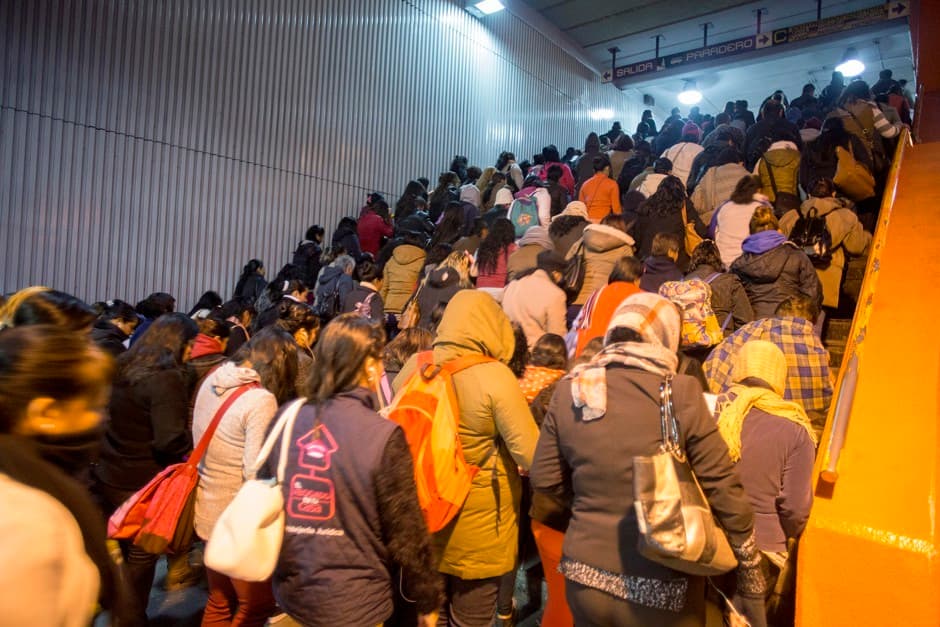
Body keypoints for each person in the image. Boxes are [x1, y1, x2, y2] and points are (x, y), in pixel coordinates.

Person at [530, 292, 767, 627]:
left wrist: (589, 500)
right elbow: (724, 490)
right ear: (666, 339)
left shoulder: (571, 390)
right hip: (662, 588)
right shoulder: (679, 393)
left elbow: (545, 478)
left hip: (583, 578)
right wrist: (750, 571)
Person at [262, 315, 443, 627]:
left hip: (294, 591)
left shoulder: (286, 418)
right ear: (369, 366)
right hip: (357, 601)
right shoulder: (382, 435)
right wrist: (427, 596)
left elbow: (265, 490)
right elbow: (406, 531)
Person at [393, 291, 539, 627]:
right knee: (470, 620)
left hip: (423, 516)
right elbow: (530, 454)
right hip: (478, 533)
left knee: (433, 616)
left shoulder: (416, 366)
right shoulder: (496, 377)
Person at [0, 326, 127, 627]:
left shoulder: (32, 483)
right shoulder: (28, 523)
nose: (102, 418)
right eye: (94, 406)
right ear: (46, 413)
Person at [93, 312, 198, 625]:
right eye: (191, 343)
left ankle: (119, 610)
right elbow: (169, 439)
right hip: (143, 481)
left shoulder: (123, 365)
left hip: (110, 472)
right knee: (142, 554)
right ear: (178, 342)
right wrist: (190, 444)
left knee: (124, 552)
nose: (192, 351)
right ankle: (131, 618)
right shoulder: (166, 378)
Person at [193, 327, 298, 627]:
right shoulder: (259, 399)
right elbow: (256, 470)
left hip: (207, 509)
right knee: (256, 605)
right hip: (238, 520)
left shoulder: (214, 377)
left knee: (219, 600)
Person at [714, 340, 816, 554]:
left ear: (738, 367)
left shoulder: (707, 408)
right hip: (764, 545)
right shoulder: (797, 428)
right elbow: (795, 509)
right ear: (780, 376)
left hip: (706, 536)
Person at [704, 295, 833, 421]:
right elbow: (826, 391)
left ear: (777, 316)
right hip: (798, 415)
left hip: (747, 409)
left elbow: (720, 357)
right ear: (812, 321)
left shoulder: (754, 331)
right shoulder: (815, 347)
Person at [779, 178, 871, 311]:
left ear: (808, 195)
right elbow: (855, 247)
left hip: (794, 281)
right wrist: (867, 236)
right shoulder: (845, 216)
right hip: (827, 283)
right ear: (833, 194)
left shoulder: (790, 216)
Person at [731, 206, 822, 319]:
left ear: (751, 234)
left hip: (753, 325)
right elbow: (813, 294)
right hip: (791, 321)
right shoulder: (796, 256)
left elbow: (734, 302)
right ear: (778, 230)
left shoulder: (739, 265)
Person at [571, 255, 642, 357]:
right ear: (636, 279)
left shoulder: (597, 293)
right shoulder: (640, 296)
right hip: (617, 357)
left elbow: (580, 326)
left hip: (586, 353)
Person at [828, 80, 902, 178]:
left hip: (840, 165)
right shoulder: (870, 108)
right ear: (866, 93)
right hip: (866, 160)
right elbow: (889, 132)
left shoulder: (832, 114)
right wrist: (899, 125)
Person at [568, 213, 636, 315]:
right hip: (604, 303)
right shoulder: (625, 248)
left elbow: (567, 261)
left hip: (577, 300)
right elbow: (629, 277)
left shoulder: (583, 241)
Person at [502, 250, 569, 348]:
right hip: (537, 352)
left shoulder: (513, 285)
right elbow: (558, 336)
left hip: (509, 347)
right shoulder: (556, 294)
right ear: (556, 274)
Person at [685, 240, 754, 334]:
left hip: (690, 339)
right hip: (722, 340)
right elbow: (745, 320)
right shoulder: (730, 282)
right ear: (717, 259)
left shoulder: (682, 283)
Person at [632, 174, 699, 271]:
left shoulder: (646, 207)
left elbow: (637, 237)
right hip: (677, 263)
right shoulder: (684, 206)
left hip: (647, 261)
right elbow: (701, 230)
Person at [713, 175, 771, 268]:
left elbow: (711, 231)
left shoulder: (724, 207)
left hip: (724, 262)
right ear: (759, 190)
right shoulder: (761, 208)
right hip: (749, 264)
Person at [690, 147, 750, 224]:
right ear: (741, 162)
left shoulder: (711, 174)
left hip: (716, 222)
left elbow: (696, 202)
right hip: (745, 220)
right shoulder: (749, 176)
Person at [275, 299, 321, 399]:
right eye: (315, 332)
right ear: (303, 332)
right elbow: (305, 398)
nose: (315, 338)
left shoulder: (273, 346)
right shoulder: (303, 361)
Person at [744, 101, 802, 170]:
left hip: (759, 170)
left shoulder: (752, 129)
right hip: (787, 170)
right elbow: (800, 150)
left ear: (763, 113)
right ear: (780, 112)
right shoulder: (792, 127)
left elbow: (745, 155)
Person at [380, 238, 427, 316]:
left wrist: (380, 308)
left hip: (389, 307)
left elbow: (384, 288)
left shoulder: (391, 261)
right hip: (408, 309)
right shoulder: (422, 261)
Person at [473, 217, 518, 298]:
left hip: (481, 289)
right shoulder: (513, 248)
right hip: (502, 290)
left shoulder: (482, 248)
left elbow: (474, 273)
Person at [578, 154, 622, 222]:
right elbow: (616, 209)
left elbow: (580, 206)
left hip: (587, 222)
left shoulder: (585, 184)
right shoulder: (612, 184)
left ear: (594, 170)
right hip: (604, 222)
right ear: (607, 168)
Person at [661, 122, 704, 187]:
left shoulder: (672, 148)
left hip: (667, 185)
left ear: (683, 134)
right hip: (688, 189)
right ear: (698, 136)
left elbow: (660, 163)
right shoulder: (701, 151)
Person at [315, 254, 356, 319]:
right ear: (349, 268)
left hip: (321, 314)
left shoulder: (326, 274)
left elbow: (317, 293)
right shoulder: (345, 278)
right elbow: (345, 303)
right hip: (335, 318)